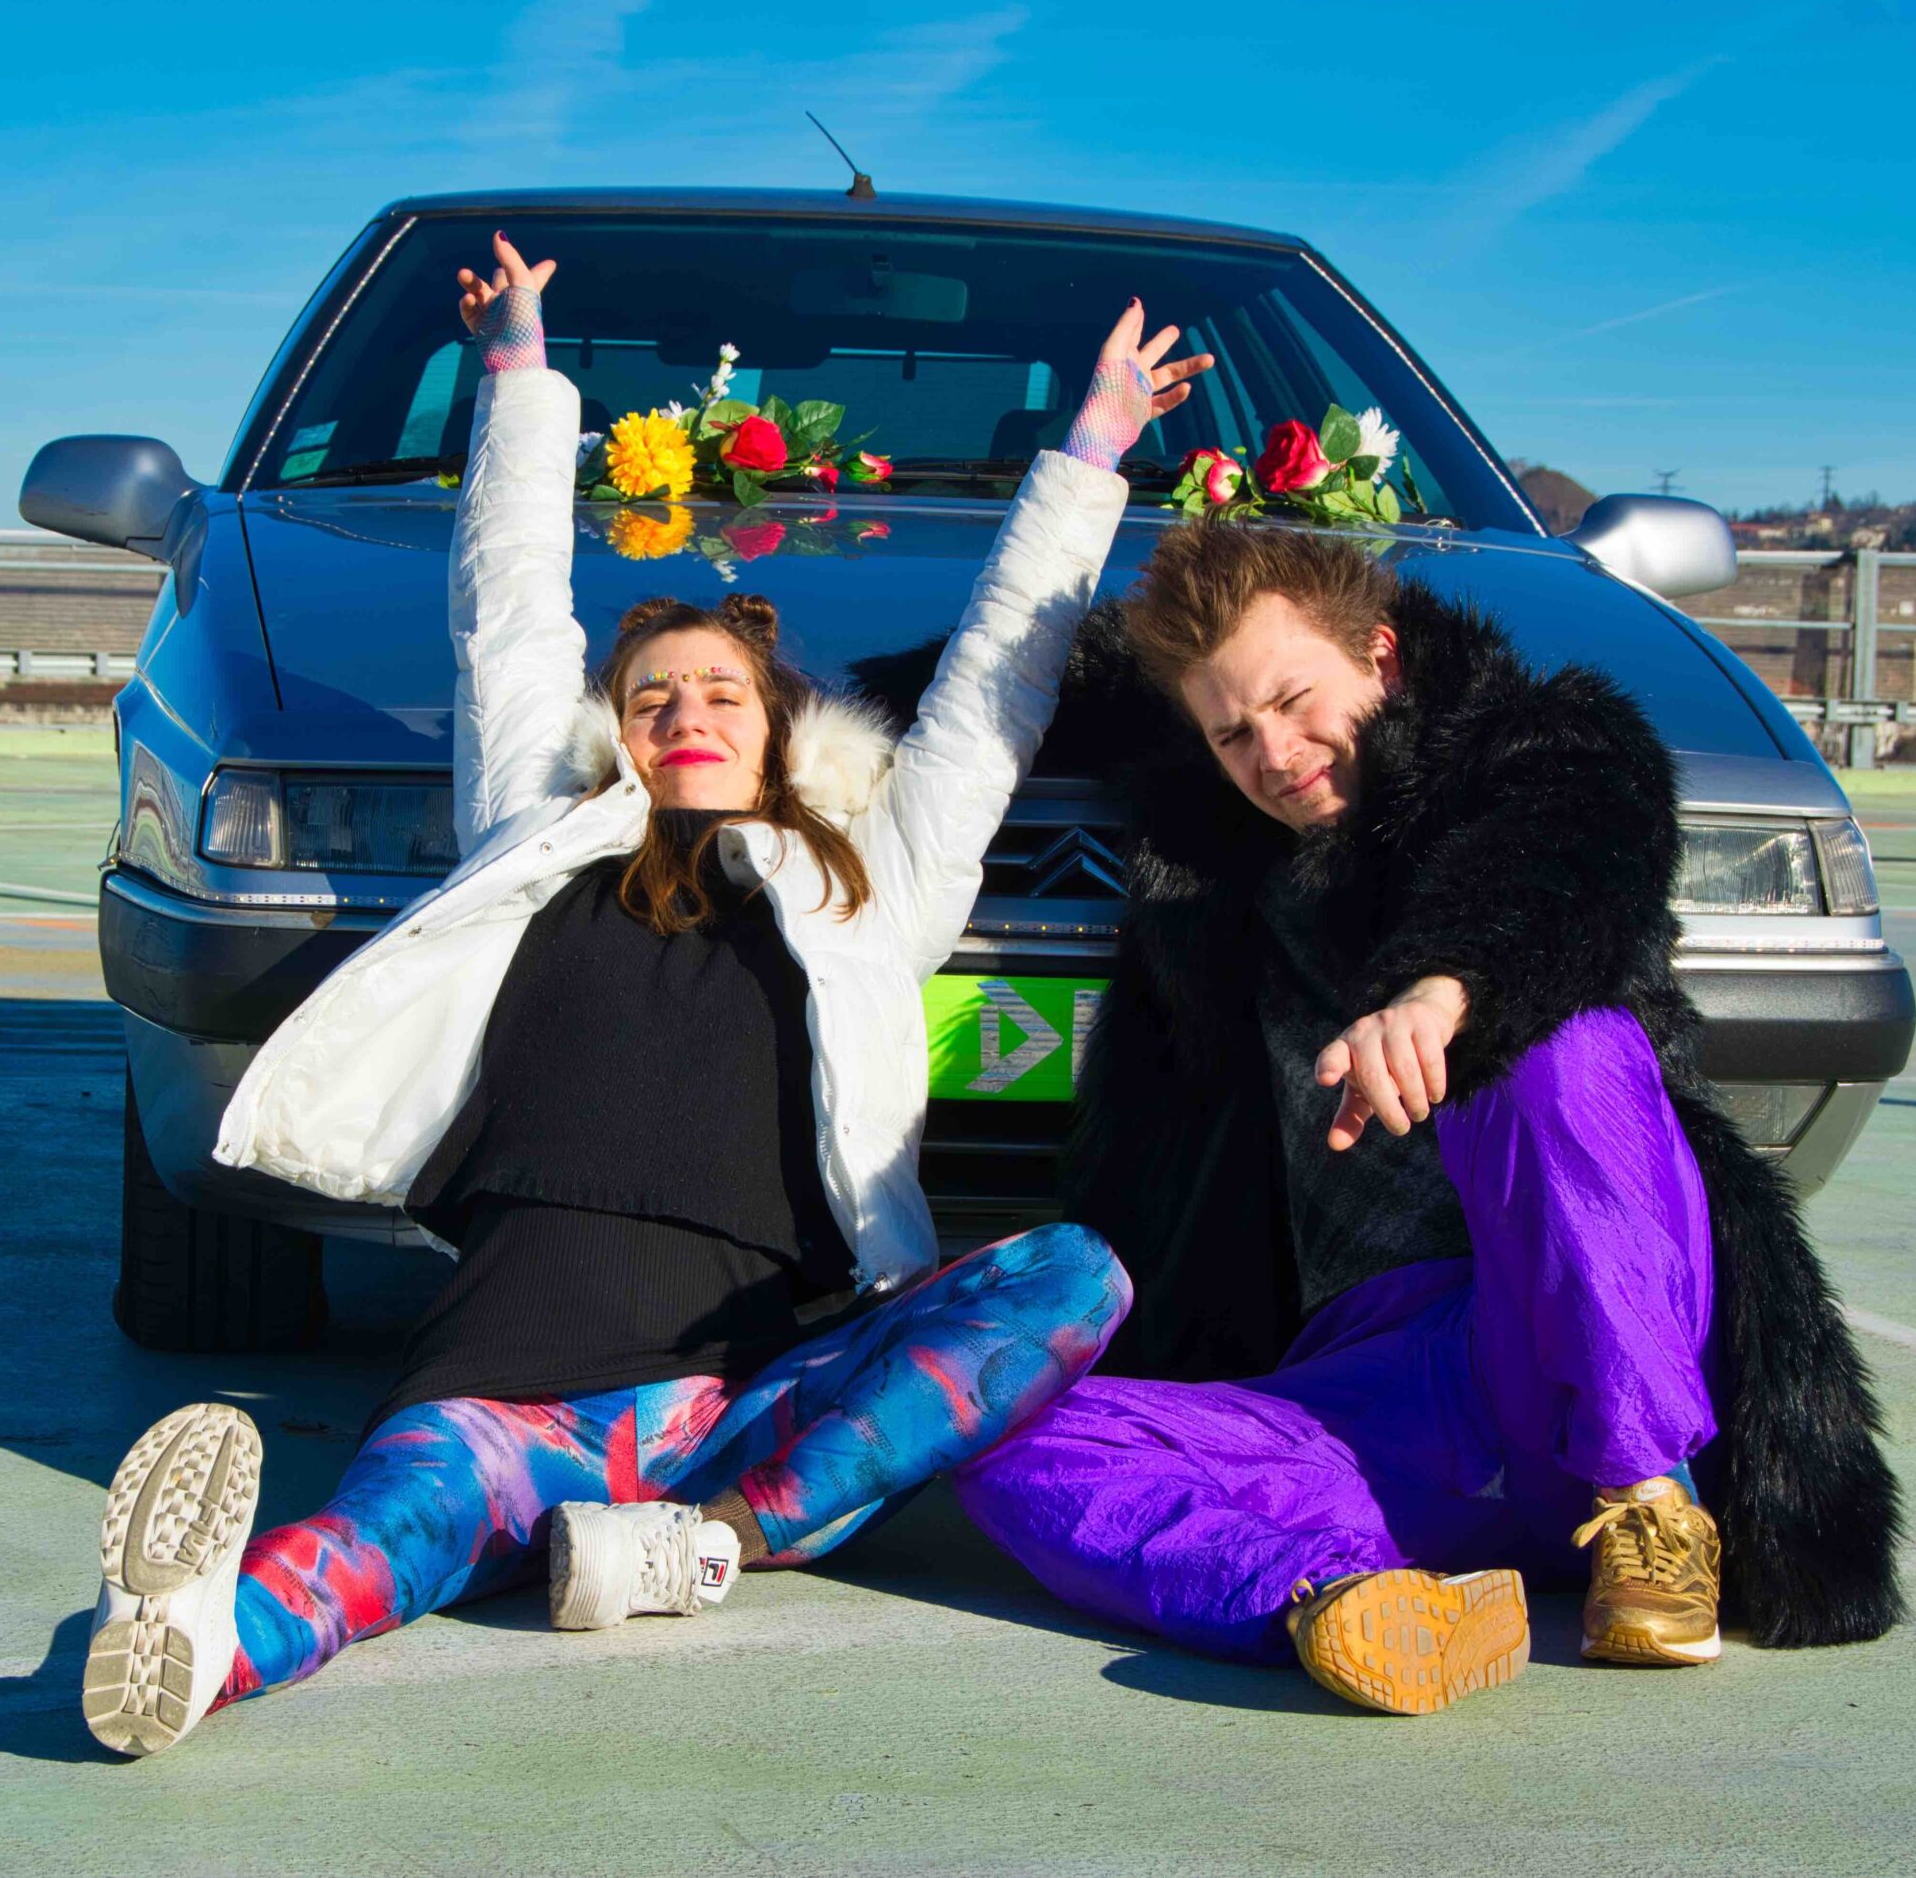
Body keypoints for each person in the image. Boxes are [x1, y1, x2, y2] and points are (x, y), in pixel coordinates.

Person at [78, 233, 1213, 1756]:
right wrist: (518, 374)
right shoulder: (534, 843)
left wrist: (1090, 454)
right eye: (652, 694)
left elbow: (993, 693)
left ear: (780, 729)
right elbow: (506, 613)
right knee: (386, 1537)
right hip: (505, 1392)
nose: (686, 710)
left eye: (721, 691)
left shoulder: (866, 890)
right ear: (615, 730)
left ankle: (709, 1544)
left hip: (749, 1403)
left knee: (1074, 1275)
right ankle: (202, 1640)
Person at [952, 522, 1904, 1714]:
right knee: (1002, 1430)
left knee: (1553, 1043)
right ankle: (1339, 1598)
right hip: (1388, 1387)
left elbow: (1567, 849)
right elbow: (992, 681)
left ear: (1382, 656)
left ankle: (1647, 1510)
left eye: (1294, 701)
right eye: (1232, 733)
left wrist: (1450, 988)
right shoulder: (1223, 857)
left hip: (1604, 1322)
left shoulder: (1532, 743)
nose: (1274, 753)